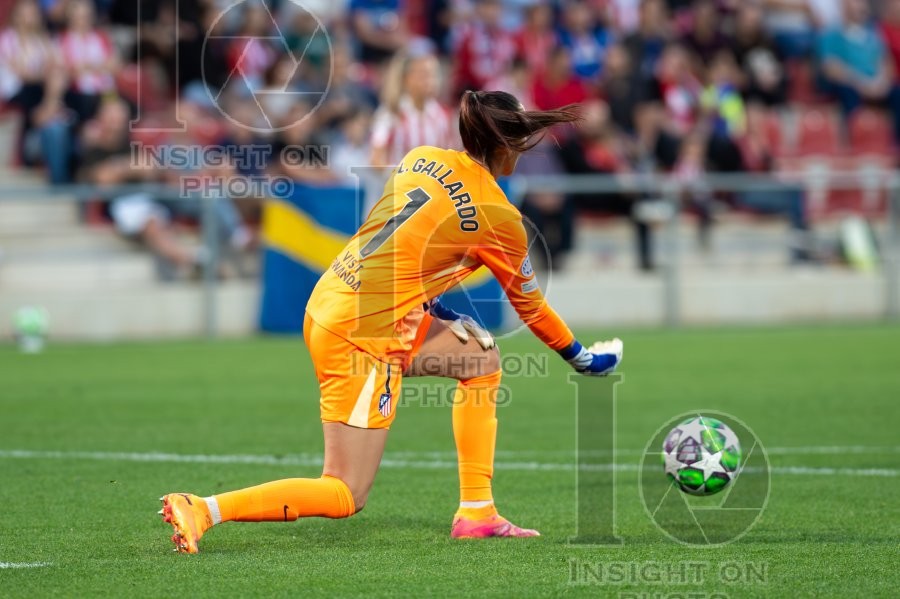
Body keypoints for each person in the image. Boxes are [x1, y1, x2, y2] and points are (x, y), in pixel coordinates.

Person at [159, 90, 624, 553]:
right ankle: (204, 508)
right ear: (508, 147)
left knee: (481, 357)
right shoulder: (499, 217)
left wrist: (431, 305)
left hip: (331, 298)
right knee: (345, 491)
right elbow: (532, 307)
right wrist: (580, 356)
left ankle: (478, 512)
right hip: (363, 333)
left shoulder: (421, 159)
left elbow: (407, 250)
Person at [817, 0, 900, 145]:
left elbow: (885, 62)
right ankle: (853, 144)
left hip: (875, 85)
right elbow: (831, 68)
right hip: (850, 84)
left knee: (897, 93)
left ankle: (895, 146)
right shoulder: (831, 34)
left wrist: (881, 83)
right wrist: (861, 84)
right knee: (847, 92)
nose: (859, 7)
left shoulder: (873, 35)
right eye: (853, 3)